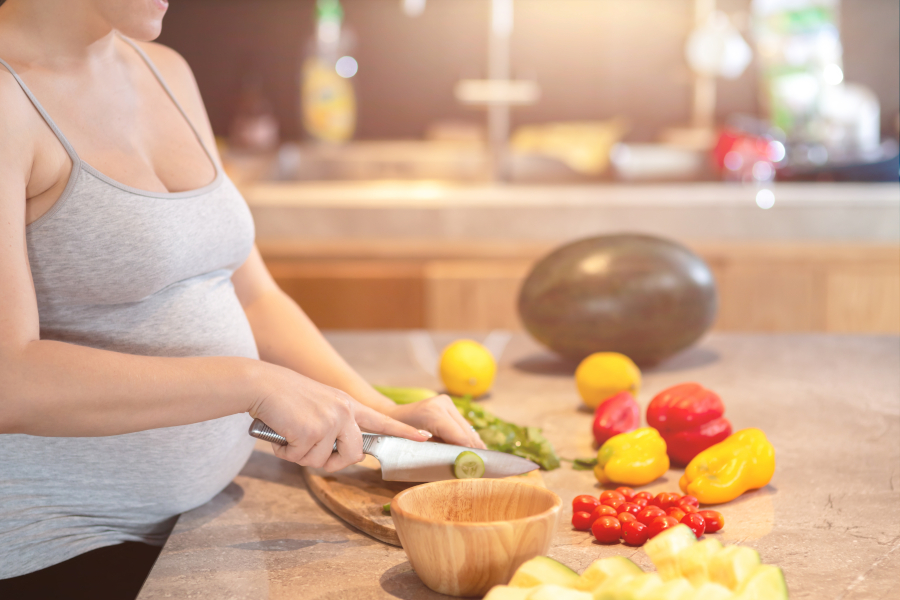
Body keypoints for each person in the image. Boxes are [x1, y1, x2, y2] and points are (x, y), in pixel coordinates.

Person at [0, 0, 485, 597]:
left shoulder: (165, 69)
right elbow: (10, 379)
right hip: (66, 549)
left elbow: (249, 290)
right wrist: (251, 383)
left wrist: (379, 414)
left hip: (203, 522)